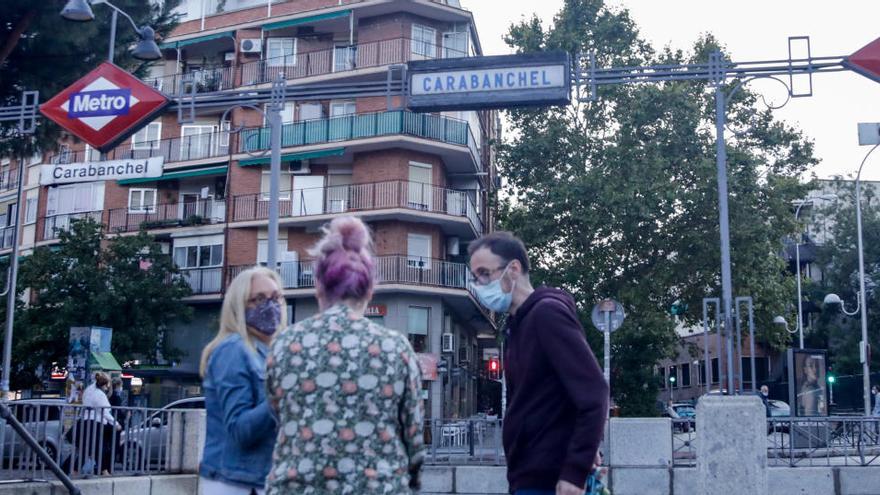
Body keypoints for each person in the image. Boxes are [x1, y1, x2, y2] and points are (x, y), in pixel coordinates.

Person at [266, 216, 424, 494]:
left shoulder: (285, 344)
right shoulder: (396, 348)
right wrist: (410, 481)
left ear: (318, 286)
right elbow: (413, 434)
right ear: (370, 290)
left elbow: (279, 414)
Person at [467, 231, 609, 495]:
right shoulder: (516, 325)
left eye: (485, 273)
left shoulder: (546, 314)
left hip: (551, 479)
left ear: (514, 269)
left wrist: (575, 471)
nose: (479, 284)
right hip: (531, 474)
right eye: (475, 277)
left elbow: (594, 392)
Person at [199, 266, 285, 495]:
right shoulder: (233, 350)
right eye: (259, 299)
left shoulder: (269, 352)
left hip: (257, 480)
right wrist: (279, 398)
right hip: (233, 483)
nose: (271, 305)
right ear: (239, 305)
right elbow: (239, 429)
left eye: (276, 297)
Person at [81, 372, 121, 475]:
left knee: (87, 448)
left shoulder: (89, 390)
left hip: (87, 421)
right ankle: (104, 470)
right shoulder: (99, 394)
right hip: (97, 423)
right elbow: (104, 411)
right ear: (105, 384)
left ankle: (72, 469)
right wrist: (115, 424)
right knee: (99, 448)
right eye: (108, 385)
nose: (108, 388)